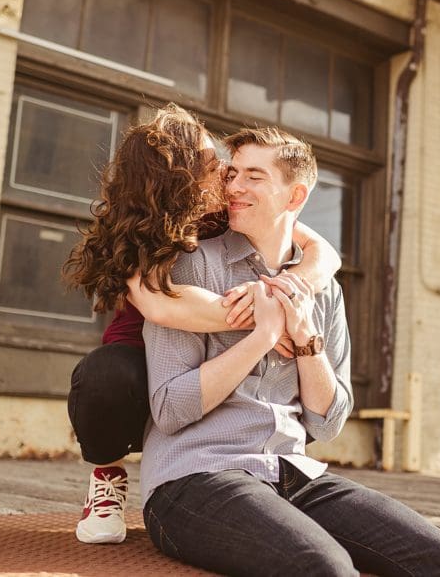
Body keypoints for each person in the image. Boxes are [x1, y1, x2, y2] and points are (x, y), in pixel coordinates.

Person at [141, 127, 440, 576]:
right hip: (195, 477)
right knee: (326, 569)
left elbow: (328, 421)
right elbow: (168, 410)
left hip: (293, 474)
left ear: (295, 194)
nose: (234, 186)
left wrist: (305, 340)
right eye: (233, 173)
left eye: (255, 177)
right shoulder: (190, 266)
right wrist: (261, 337)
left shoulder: (324, 292)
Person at [62, 104, 341, 544]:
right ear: (182, 178)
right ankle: (108, 471)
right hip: (141, 361)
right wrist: (276, 320)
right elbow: (166, 310)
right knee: (106, 374)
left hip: (209, 355)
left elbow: (322, 251)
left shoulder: (222, 216)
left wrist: (294, 286)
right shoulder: (140, 233)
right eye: (215, 166)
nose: (229, 175)